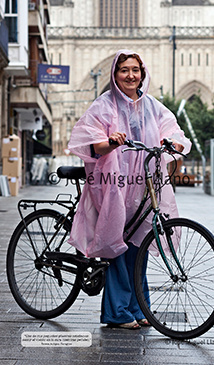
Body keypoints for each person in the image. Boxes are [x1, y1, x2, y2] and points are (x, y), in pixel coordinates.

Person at [68, 49, 191, 329]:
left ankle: (139, 307)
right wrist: (110, 141)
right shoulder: (104, 105)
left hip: (144, 182)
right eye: (124, 70)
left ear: (142, 74)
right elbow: (90, 142)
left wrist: (175, 143)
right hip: (113, 183)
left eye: (135, 70)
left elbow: (172, 130)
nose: (130, 75)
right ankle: (117, 312)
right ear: (115, 74)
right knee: (117, 245)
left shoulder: (152, 106)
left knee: (140, 243)